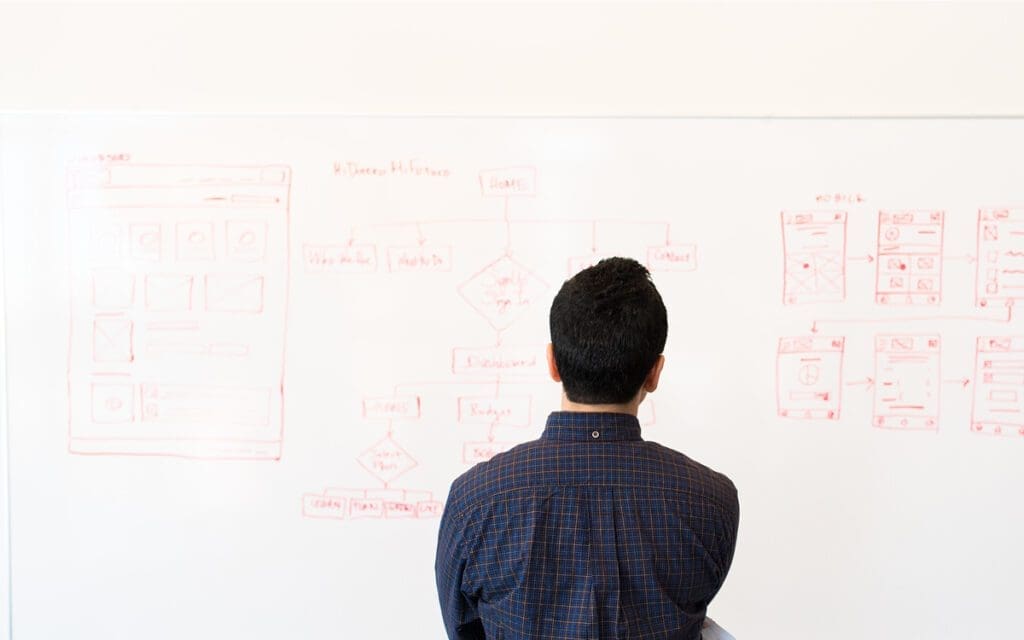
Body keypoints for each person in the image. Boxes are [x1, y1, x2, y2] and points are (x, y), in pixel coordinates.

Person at [435, 257, 739, 640]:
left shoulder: (475, 500)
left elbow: (462, 629)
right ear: (655, 373)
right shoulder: (712, 500)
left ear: (553, 363)